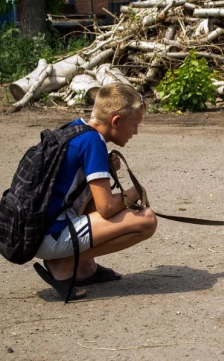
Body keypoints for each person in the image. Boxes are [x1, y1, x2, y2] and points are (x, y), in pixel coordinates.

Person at [33, 82, 157, 299]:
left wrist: (105, 166)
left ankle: (85, 267)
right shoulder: (94, 144)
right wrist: (137, 191)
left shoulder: (76, 129)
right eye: (135, 125)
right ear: (116, 121)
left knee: (100, 193)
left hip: (37, 230)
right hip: (49, 236)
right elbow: (106, 208)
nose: (136, 132)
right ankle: (64, 264)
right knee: (146, 220)